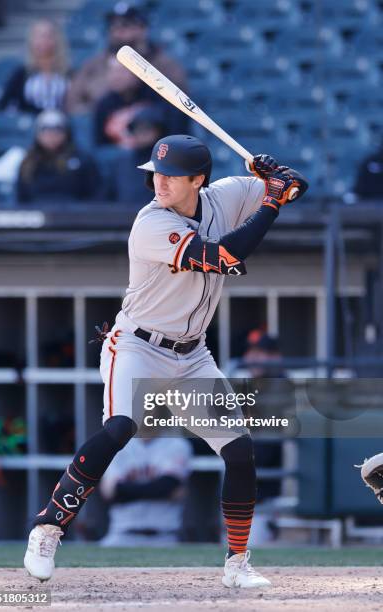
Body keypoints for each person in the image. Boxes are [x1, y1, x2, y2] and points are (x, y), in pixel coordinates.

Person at [23, 136, 308, 588]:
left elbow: (294, 186)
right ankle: (48, 528)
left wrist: (275, 175)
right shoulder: (150, 223)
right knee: (119, 428)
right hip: (137, 345)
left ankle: (237, 564)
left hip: (193, 354)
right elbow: (224, 257)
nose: (160, 181)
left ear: (198, 180)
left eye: (172, 175)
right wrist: (271, 202)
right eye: (155, 173)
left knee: (238, 452)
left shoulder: (226, 195)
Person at [66, 2, 187, 115]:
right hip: (104, 129)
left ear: (142, 29)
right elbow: (73, 102)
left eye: (126, 25)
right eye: (113, 26)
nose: (117, 31)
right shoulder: (93, 64)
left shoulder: (165, 64)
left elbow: (181, 104)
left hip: (151, 129)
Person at [99, 433, 192, 546]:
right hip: (121, 536)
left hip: (165, 538)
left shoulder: (177, 444)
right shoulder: (118, 444)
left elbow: (167, 486)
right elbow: (110, 492)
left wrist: (124, 493)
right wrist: (159, 491)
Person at [16, 109, 99, 203]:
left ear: (66, 132)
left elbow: (94, 197)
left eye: (57, 129)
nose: (51, 134)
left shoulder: (83, 160)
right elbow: (21, 200)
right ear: (37, 134)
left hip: (74, 215)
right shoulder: (28, 163)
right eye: (45, 129)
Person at [0, 20, 70, 114]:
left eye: (48, 35)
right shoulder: (20, 74)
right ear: (31, 41)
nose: (43, 40)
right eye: (38, 36)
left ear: (57, 39)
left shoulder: (70, 74)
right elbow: (1, 105)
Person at [103, 106, 166, 203]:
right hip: (122, 215)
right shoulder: (121, 161)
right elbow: (108, 196)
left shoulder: (167, 163)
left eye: (147, 128)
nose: (142, 133)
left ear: (158, 131)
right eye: (138, 128)